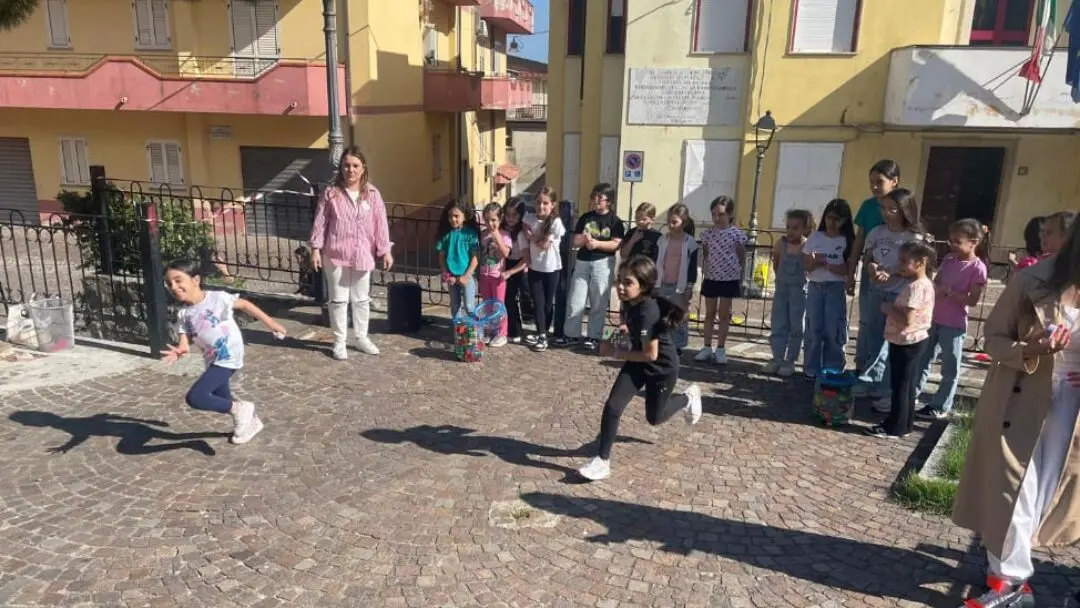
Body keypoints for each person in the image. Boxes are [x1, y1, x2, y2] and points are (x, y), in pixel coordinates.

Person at [952, 218, 1080, 608]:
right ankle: (1010, 582)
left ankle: (1010, 573)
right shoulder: (1032, 281)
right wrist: (1031, 349)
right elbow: (993, 337)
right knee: (1016, 488)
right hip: (1022, 395)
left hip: (1073, 411)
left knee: (1050, 491)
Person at [577, 256, 703, 481]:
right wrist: (615, 336)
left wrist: (614, 352)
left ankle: (687, 398)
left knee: (655, 419)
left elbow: (650, 354)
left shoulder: (648, 312)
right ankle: (602, 461)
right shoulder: (630, 301)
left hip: (661, 368)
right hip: (637, 363)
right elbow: (628, 326)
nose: (621, 287)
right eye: (619, 281)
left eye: (628, 283)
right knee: (613, 405)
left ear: (643, 286)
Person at [161, 260, 286, 445]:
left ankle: (243, 409)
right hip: (212, 360)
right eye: (169, 283)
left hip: (228, 355)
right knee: (223, 398)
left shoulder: (217, 298)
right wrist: (180, 350)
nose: (174, 286)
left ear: (195, 280)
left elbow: (245, 305)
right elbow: (184, 344)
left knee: (196, 397)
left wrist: (273, 324)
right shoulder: (184, 314)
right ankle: (251, 422)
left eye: (179, 280)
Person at [309, 147, 394, 361]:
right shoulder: (331, 193)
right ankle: (339, 341)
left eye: (355, 165)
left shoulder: (372, 194)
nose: (351, 170)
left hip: (362, 253)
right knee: (338, 300)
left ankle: (361, 337)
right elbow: (320, 222)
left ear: (363, 168)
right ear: (341, 168)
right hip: (335, 253)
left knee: (361, 299)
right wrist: (315, 249)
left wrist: (385, 250)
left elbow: (380, 224)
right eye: (347, 165)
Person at [857, 188, 927, 411]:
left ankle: (885, 388)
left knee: (893, 340)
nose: (886, 213)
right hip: (877, 291)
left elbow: (917, 268)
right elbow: (868, 256)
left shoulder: (914, 237)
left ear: (904, 210)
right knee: (872, 335)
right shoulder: (877, 232)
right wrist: (872, 268)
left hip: (900, 294)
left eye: (892, 209)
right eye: (884, 208)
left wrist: (893, 273)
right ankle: (870, 379)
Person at [913, 219, 988, 420]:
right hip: (934, 318)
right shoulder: (949, 260)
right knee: (923, 358)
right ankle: (912, 395)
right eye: (951, 241)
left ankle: (941, 404)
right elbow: (936, 283)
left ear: (973, 242)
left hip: (954, 323)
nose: (952, 245)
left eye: (957, 241)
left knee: (950, 366)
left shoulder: (977, 268)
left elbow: (973, 299)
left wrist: (951, 294)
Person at [864, 240, 936, 439]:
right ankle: (906, 423)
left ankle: (893, 427)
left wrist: (888, 308)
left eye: (905, 261)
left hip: (906, 340)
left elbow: (906, 319)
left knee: (900, 386)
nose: (900, 266)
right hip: (914, 339)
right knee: (907, 384)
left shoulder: (915, 288)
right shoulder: (924, 284)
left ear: (921, 263)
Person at [556, 183, 625, 350]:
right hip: (583, 261)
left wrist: (597, 244)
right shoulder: (586, 218)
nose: (596, 200)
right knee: (575, 299)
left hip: (603, 262)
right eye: (595, 196)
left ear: (609, 201)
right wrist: (584, 240)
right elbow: (575, 240)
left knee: (598, 301)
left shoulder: (615, 222)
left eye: (600, 197)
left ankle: (594, 336)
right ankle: (571, 334)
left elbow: (616, 244)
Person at [850, 160, 902, 373]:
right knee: (867, 320)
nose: (874, 186)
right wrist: (851, 269)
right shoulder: (868, 206)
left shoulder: (903, 206)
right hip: (871, 271)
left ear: (894, 182)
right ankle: (861, 365)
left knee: (890, 324)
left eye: (879, 182)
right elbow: (859, 239)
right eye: (871, 182)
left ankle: (881, 372)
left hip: (897, 276)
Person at [803, 199, 855, 379]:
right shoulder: (815, 238)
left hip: (835, 286)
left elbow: (847, 269)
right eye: (829, 218)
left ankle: (833, 366)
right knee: (813, 326)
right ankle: (811, 366)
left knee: (833, 328)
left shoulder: (846, 240)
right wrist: (814, 261)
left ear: (845, 221)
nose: (832, 223)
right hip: (816, 285)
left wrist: (827, 264)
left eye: (837, 219)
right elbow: (807, 266)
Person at [695, 196, 747, 365]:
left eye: (721, 214)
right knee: (709, 313)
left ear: (730, 214)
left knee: (724, 315)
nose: (717, 218)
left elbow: (741, 256)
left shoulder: (736, 234)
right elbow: (707, 253)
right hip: (712, 278)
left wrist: (740, 277)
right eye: (714, 214)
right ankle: (706, 347)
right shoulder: (707, 234)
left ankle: (721, 348)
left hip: (729, 278)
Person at [765, 209, 812, 377]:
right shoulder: (780, 244)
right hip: (782, 290)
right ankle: (777, 357)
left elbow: (809, 266)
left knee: (796, 325)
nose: (791, 231)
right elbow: (776, 262)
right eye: (788, 227)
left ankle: (790, 360)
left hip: (799, 291)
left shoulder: (807, 246)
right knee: (779, 323)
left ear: (805, 229)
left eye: (796, 228)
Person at [525, 187, 567, 352]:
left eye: (545, 203)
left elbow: (543, 245)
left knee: (548, 303)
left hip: (551, 268)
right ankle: (542, 334)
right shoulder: (530, 218)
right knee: (538, 302)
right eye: (538, 202)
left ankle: (543, 331)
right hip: (535, 267)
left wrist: (531, 236)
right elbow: (524, 224)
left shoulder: (555, 222)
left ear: (552, 205)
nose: (541, 206)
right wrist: (526, 231)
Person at [654, 203, 699, 353]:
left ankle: (678, 345)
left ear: (684, 222)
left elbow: (692, 268)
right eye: (669, 222)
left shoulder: (690, 243)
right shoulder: (662, 240)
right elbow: (657, 261)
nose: (671, 225)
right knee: (662, 314)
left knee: (678, 315)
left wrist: (689, 287)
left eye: (675, 222)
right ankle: (662, 342)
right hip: (662, 283)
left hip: (679, 285)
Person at [436, 199, 481, 323]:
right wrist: (446, 275)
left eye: (456, 216)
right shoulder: (446, 234)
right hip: (452, 278)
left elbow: (475, 258)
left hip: (467, 277)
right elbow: (441, 258)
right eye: (450, 216)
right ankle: (459, 333)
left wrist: (466, 276)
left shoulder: (471, 234)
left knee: (469, 307)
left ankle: (476, 331)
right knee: (455, 307)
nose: (453, 219)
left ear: (464, 216)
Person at [478, 202, 513, 347]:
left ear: (500, 219)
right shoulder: (483, 235)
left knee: (498, 305)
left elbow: (506, 253)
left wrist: (496, 236)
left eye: (493, 220)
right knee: (487, 305)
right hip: (484, 274)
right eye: (487, 220)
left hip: (498, 276)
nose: (490, 223)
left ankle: (501, 333)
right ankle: (489, 330)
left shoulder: (505, 235)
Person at [501, 197, 530, 344]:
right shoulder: (502, 229)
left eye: (514, 215)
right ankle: (509, 329)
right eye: (507, 215)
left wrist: (511, 272)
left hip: (518, 265)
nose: (510, 219)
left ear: (520, 216)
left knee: (518, 297)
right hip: (505, 263)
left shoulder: (521, 234)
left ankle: (518, 329)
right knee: (507, 299)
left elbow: (526, 259)